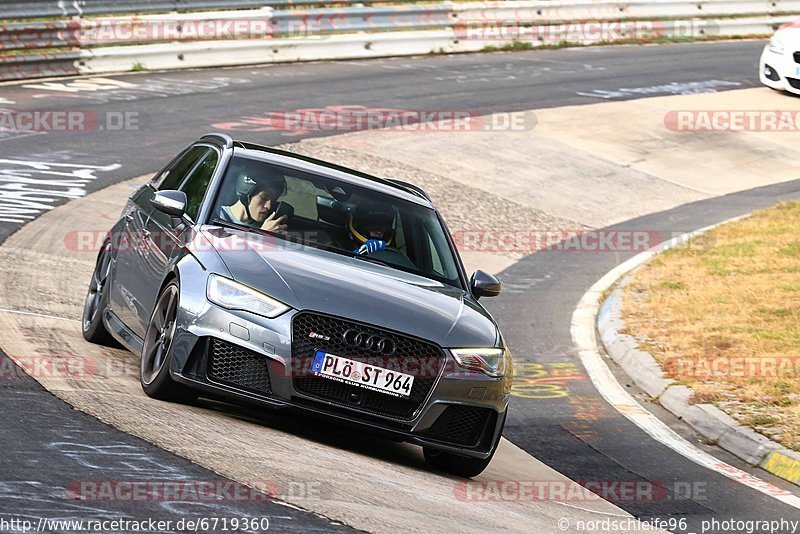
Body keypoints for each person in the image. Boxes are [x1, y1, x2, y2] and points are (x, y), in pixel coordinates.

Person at [220, 169, 288, 233]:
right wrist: (262, 234)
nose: (269, 206)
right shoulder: (217, 217)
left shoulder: (270, 226)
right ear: (245, 194)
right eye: (263, 198)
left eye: (273, 201)